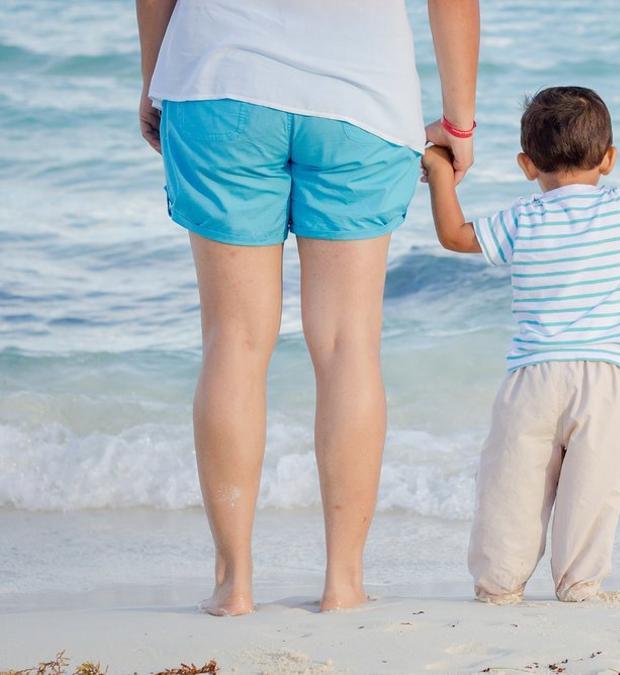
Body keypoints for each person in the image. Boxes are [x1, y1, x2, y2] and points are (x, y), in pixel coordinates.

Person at [135, 0, 479, 615]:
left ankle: (233, 583)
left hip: (220, 81)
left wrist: (154, 76)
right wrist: (460, 121)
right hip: (364, 98)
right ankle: (343, 582)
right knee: (349, 344)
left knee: (234, 341)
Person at [421, 87, 620, 603]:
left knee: (512, 481)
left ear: (526, 165)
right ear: (608, 160)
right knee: (594, 482)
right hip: (607, 374)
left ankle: (499, 583)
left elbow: (454, 235)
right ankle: (579, 582)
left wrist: (438, 171)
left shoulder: (520, 219)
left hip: (533, 375)